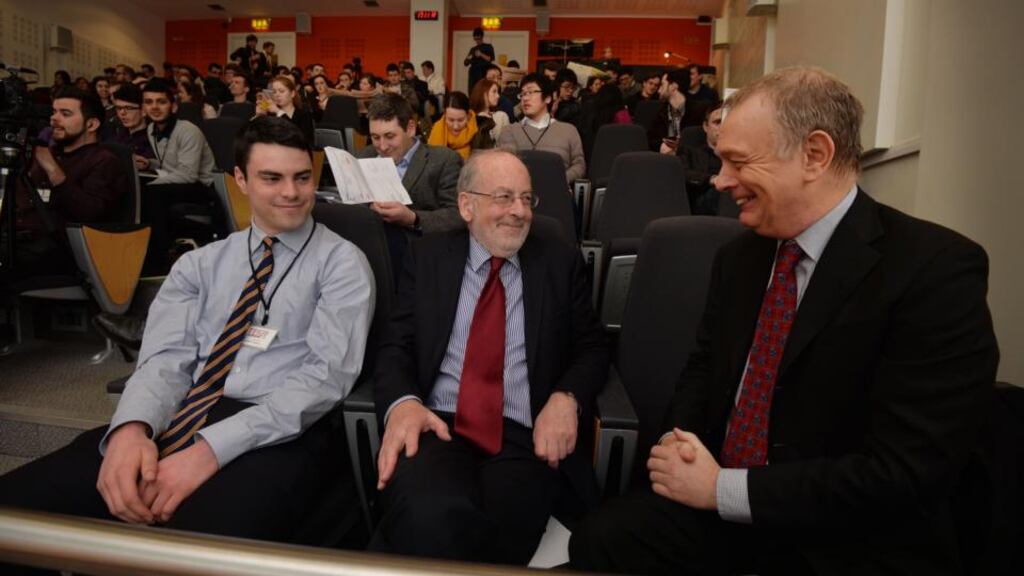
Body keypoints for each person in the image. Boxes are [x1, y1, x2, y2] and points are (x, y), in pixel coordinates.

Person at [569, 66, 999, 576]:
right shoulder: (739, 257)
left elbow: (906, 471)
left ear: (814, 155)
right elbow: (703, 370)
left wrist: (722, 490)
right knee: (601, 540)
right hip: (718, 509)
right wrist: (680, 445)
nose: (721, 181)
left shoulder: (934, 270)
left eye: (737, 162)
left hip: (844, 535)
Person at [0, 117, 375, 558]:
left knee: (187, 549)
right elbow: (164, 360)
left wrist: (209, 451)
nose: (291, 193)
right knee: (16, 512)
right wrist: (131, 429)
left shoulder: (342, 263)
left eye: (301, 178)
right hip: (183, 410)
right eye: (271, 178)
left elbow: (324, 379)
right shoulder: (200, 264)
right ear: (240, 180)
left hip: (279, 427)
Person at [368, 150, 609, 564]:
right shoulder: (428, 258)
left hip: (524, 433)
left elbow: (592, 347)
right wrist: (404, 404)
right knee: (429, 515)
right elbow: (395, 345)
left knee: (507, 520)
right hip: (437, 424)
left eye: (526, 199)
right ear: (466, 205)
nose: (518, 212)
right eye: (503, 197)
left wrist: (566, 397)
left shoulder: (559, 262)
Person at [1, 88, 131, 283]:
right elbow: (17, 202)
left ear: (92, 124)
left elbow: (89, 213)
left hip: (63, 250)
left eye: (65, 114)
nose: (54, 119)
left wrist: (52, 169)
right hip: (19, 241)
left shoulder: (104, 161)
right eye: (54, 112)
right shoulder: (44, 154)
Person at [498, 74, 586, 184]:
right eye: (522, 94)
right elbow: (507, 166)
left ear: (548, 98)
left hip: (558, 192)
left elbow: (579, 165)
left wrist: (560, 180)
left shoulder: (569, 130)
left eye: (531, 92)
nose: (525, 98)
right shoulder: (509, 131)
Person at [673, 102, 724, 215]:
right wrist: (712, 179)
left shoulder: (740, 154)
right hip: (701, 204)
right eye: (717, 122)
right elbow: (682, 173)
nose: (723, 127)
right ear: (706, 126)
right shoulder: (690, 151)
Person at [428, 91, 490, 160]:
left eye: (460, 120)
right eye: (451, 120)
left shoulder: (482, 131)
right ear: (445, 115)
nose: (456, 126)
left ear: (468, 115)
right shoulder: (437, 130)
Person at [579, 83, 632, 164]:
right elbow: (629, 137)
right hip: (619, 159)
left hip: (591, 157)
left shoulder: (590, 110)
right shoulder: (621, 114)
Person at [256, 75, 315, 146]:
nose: (277, 95)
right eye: (274, 92)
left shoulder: (303, 113)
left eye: (281, 91)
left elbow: (299, 139)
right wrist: (259, 116)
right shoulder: (271, 114)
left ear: (292, 94)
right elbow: (259, 138)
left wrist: (278, 112)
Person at [110, 83, 155, 160]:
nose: (122, 113)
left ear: (144, 111)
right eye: (118, 108)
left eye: (128, 108)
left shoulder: (153, 140)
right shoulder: (117, 137)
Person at [646, 68, 687, 152]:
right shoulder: (660, 111)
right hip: (663, 159)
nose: (659, 90)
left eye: (662, 84)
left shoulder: (697, 112)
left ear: (673, 86)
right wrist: (661, 146)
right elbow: (650, 141)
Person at [464, 26, 495, 92]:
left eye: (479, 39)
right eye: (475, 39)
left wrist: (481, 54)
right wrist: (469, 57)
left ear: (482, 37)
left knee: (483, 91)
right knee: (472, 91)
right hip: (473, 74)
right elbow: (466, 63)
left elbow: (490, 59)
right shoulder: (473, 49)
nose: (477, 41)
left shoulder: (488, 47)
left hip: (483, 73)